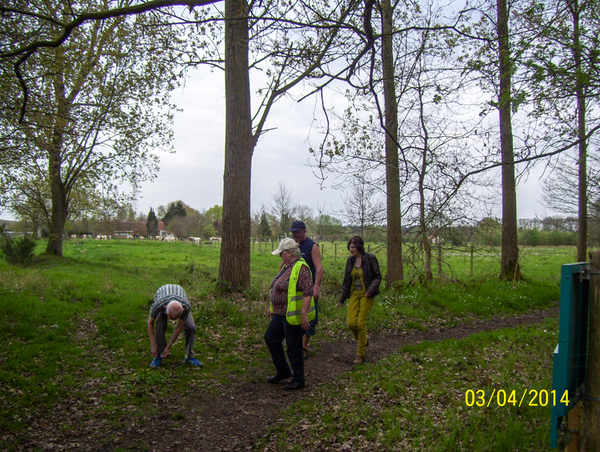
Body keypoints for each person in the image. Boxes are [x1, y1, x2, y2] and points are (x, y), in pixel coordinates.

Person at [264, 237, 315, 390]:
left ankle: (299, 379)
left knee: (293, 347)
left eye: (282, 253)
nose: (280, 256)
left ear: (290, 253)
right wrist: (272, 306)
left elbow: (308, 292)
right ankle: (283, 371)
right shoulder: (287, 266)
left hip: (293, 315)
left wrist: (304, 315)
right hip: (280, 314)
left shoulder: (301, 267)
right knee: (271, 338)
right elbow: (278, 288)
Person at [338, 236, 382, 364]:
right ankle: (363, 340)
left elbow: (378, 277)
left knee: (360, 323)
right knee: (351, 323)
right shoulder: (350, 261)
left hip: (366, 294)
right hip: (353, 294)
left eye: (353, 247)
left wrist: (370, 291)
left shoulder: (370, 258)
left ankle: (360, 354)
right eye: (350, 247)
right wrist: (342, 298)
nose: (351, 249)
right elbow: (347, 280)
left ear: (359, 246)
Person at [288, 220, 323, 359]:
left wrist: (316, 287)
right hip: (294, 287)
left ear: (304, 231)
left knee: (309, 317)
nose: (295, 235)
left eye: (297, 232)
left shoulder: (312, 246)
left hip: (308, 287)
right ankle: (294, 343)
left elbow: (319, 268)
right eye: (293, 233)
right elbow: (285, 262)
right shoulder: (292, 245)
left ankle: (304, 347)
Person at [147, 284, 203, 368]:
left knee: (191, 327)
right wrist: (153, 344)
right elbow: (150, 323)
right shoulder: (158, 305)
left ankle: (189, 357)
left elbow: (179, 327)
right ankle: (158, 355)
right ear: (165, 308)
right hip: (163, 296)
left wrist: (168, 346)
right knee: (160, 324)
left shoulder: (186, 306)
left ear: (182, 311)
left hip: (180, 299)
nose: (172, 321)